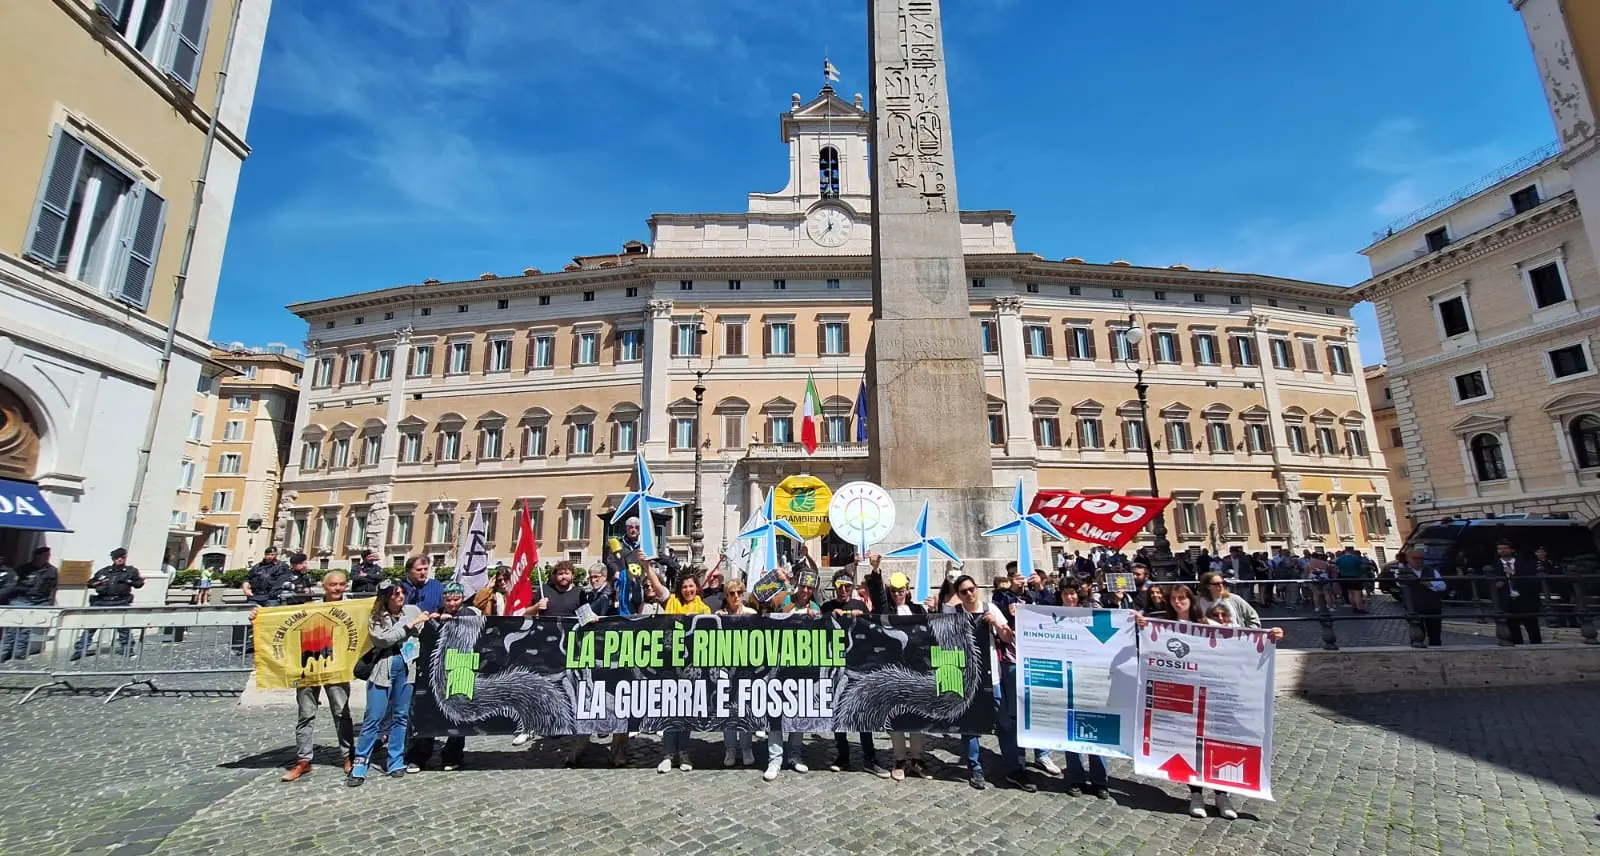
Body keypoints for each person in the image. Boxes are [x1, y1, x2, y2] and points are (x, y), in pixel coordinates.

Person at [1135, 587, 1282, 818]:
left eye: (1181, 598)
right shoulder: (1162, 624)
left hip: (1213, 693)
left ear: (1190, 600)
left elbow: (1240, 638)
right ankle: (1195, 795)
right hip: (1183, 695)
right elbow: (1146, 638)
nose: (1177, 602)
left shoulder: (1206, 623)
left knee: (1219, 743)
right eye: (1173, 599)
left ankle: (1222, 796)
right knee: (1187, 744)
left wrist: (1271, 634)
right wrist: (1140, 623)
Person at [944, 574, 1033, 792]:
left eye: (971, 589)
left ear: (977, 588)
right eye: (963, 591)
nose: (969, 594)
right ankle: (975, 768)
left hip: (992, 677)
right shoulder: (954, 614)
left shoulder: (990, 608)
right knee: (970, 727)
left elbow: (1008, 637)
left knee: (1004, 723)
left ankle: (1014, 769)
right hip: (967, 679)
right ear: (958, 595)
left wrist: (996, 625)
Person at [348, 580, 432, 786]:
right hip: (383, 671)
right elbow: (383, 639)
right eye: (396, 594)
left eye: (403, 592)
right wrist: (410, 625)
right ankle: (360, 762)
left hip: (407, 669)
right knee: (373, 717)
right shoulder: (377, 617)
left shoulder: (412, 610)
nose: (401, 596)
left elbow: (422, 632)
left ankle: (395, 759)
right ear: (386, 597)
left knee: (401, 716)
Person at [281, 570, 356, 781]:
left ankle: (348, 755)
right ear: (324, 586)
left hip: (337, 666)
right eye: (333, 584)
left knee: (342, 713)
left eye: (341, 584)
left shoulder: (352, 609)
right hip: (309, 668)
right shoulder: (310, 608)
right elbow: (281, 621)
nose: (338, 588)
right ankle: (303, 760)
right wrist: (258, 616)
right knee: (305, 714)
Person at [819, 571, 885, 776]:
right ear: (834, 587)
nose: (843, 589)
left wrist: (863, 617)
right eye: (840, 585)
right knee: (838, 713)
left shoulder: (860, 606)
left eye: (847, 586)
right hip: (836, 667)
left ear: (852, 587)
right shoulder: (827, 607)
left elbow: (877, 623)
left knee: (863, 714)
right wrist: (828, 616)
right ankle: (843, 756)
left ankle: (869, 757)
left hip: (859, 665)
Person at [407, 582, 474, 772]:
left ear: (462, 599)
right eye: (448, 599)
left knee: (458, 714)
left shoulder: (469, 614)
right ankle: (419, 754)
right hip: (434, 670)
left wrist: (451, 622)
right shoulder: (433, 613)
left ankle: (452, 755)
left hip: (461, 668)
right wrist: (431, 621)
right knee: (426, 711)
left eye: (456, 599)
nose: (452, 603)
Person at [654, 572, 710, 772]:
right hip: (670, 666)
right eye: (685, 587)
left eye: (691, 586)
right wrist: (647, 566)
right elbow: (657, 586)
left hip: (691, 669)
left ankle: (684, 753)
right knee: (670, 711)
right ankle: (668, 754)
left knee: (685, 712)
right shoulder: (672, 603)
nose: (688, 590)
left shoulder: (704, 608)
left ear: (697, 588)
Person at [72, 548, 145, 660]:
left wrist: (131, 581)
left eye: (122, 557)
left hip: (121, 601)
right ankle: (80, 649)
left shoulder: (130, 571)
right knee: (91, 626)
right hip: (102, 601)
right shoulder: (105, 571)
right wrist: (99, 582)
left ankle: (127, 648)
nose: (119, 560)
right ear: (113, 559)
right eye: (117, 558)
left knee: (123, 627)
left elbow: (138, 583)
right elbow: (90, 583)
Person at [0, 546, 57, 662]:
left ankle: (19, 653)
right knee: (12, 628)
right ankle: (3, 653)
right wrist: (25, 584)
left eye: (48, 555)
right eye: (43, 556)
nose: (46, 558)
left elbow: (53, 587)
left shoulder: (52, 570)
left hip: (39, 601)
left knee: (26, 629)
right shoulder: (24, 568)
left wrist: (50, 601)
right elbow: (13, 586)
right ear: (37, 556)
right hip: (22, 600)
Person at [1487, 540, 1542, 645]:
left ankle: (1537, 646)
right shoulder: (1494, 566)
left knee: (1533, 628)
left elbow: (1533, 579)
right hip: (1507, 600)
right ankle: (1518, 647)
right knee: (1513, 628)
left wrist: (1514, 574)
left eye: (1505, 548)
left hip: (1526, 600)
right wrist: (1495, 585)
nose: (1502, 551)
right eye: (1500, 549)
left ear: (1512, 550)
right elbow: (1487, 583)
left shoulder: (1525, 563)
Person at [1396, 548, 1446, 647]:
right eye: (1415, 558)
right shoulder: (1402, 571)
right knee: (1417, 633)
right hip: (1415, 607)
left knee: (1435, 634)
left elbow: (1443, 585)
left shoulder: (1431, 570)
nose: (1419, 561)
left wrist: (1430, 584)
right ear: (1408, 559)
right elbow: (1399, 582)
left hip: (1433, 606)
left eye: (1421, 558)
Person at [1198, 572, 1263, 628]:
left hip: (1234, 638)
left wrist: (1249, 633)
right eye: (1216, 584)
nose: (1221, 586)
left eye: (1222, 583)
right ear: (1207, 586)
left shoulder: (1234, 599)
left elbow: (1252, 616)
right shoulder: (1198, 602)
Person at [1334, 547, 1368, 613]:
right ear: (1351, 551)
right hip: (1355, 577)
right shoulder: (1355, 558)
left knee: (1350, 593)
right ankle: (1360, 608)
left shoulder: (1340, 559)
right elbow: (1362, 566)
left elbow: (1337, 566)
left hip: (1344, 577)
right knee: (1357, 593)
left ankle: (1354, 607)